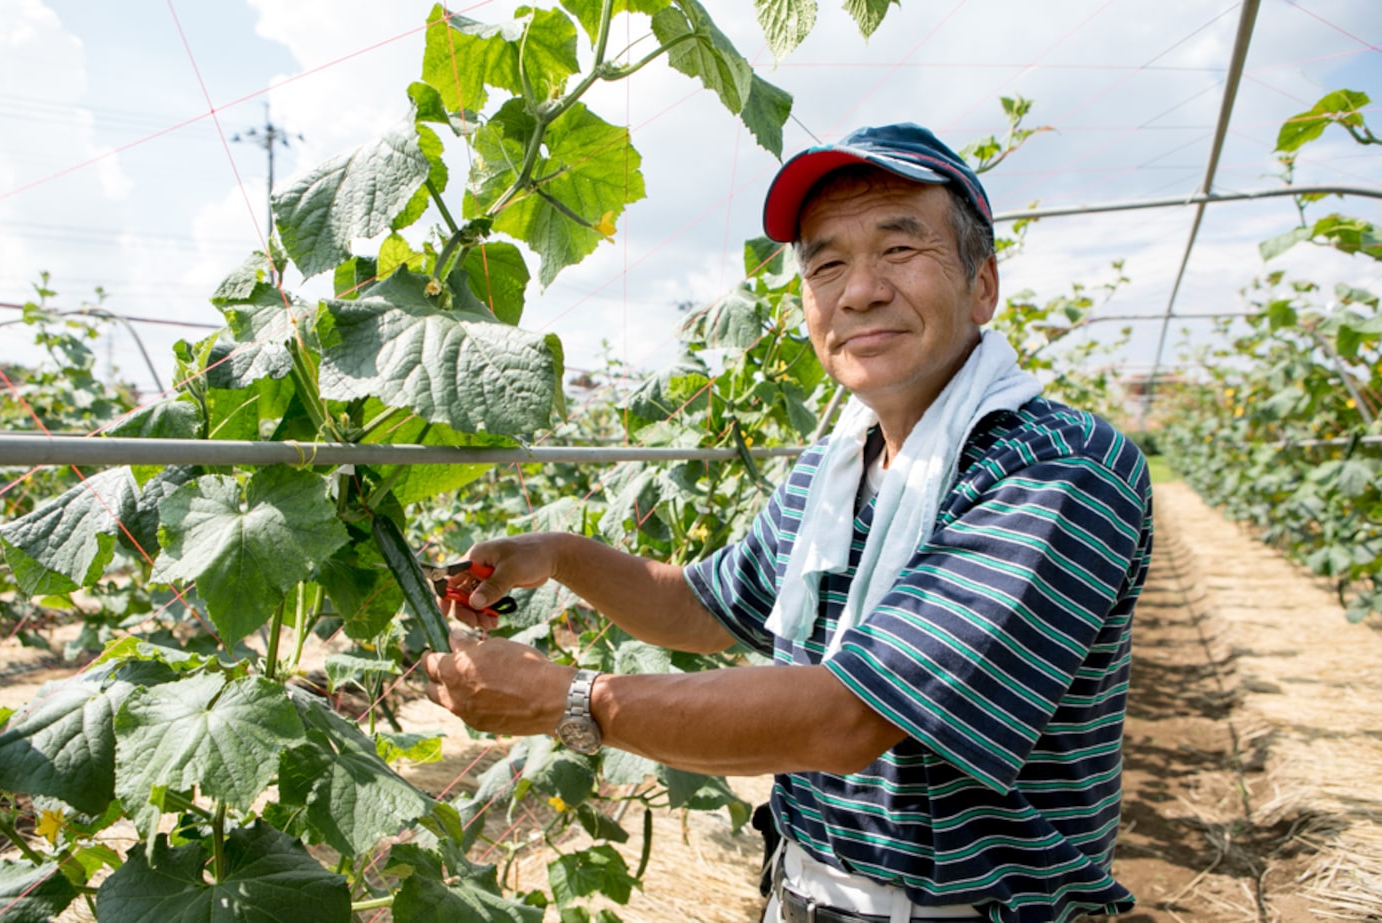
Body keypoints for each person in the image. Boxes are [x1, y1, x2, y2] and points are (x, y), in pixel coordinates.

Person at [420, 122, 1151, 923]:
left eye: (899, 251)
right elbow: (701, 606)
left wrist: (567, 699)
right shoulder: (839, 462)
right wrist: (556, 554)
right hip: (804, 890)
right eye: (826, 262)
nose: (859, 290)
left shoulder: (1055, 469)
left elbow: (850, 717)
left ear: (982, 285)